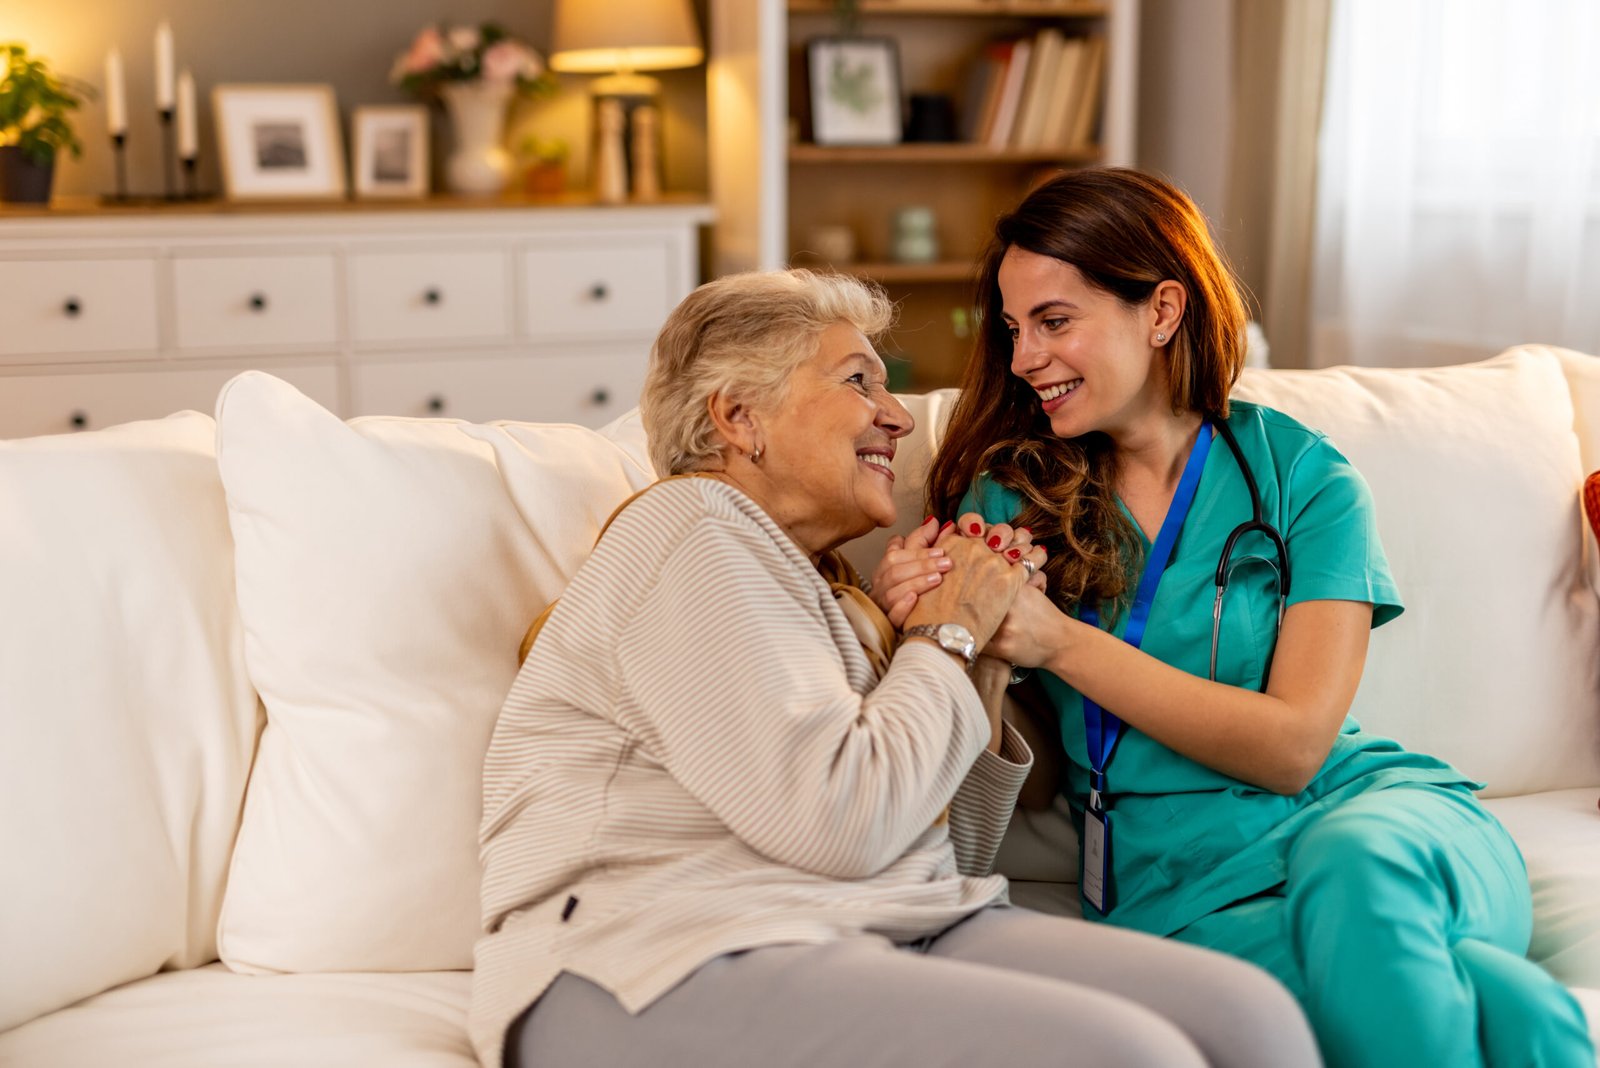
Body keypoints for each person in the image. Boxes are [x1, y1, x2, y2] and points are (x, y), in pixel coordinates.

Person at [470, 268, 1320, 1068]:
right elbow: (846, 826)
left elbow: (954, 851)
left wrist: (975, 658)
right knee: (1131, 1057)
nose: (898, 417)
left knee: (1250, 1019)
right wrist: (941, 639)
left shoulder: (826, 594)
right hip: (653, 950)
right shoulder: (691, 531)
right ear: (738, 417)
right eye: (857, 383)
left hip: (880, 921)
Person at [872, 167, 1595, 1068]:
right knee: (1470, 1003)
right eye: (1014, 329)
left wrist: (1060, 640)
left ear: (1162, 311)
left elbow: (1293, 746)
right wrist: (941, 633)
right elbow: (1039, 778)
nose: (1023, 358)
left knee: (1359, 878)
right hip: (1182, 896)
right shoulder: (1015, 499)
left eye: (1055, 321)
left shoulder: (1305, 479)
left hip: (1379, 824)